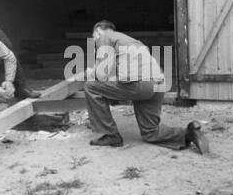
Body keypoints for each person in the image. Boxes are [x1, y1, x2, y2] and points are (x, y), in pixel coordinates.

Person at [84, 20, 210, 153]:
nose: (95, 42)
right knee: (151, 132)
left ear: (97, 32)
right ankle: (188, 133)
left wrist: (90, 72)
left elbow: (101, 74)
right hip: (158, 83)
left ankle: (110, 135)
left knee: (91, 86)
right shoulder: (133, 42)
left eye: (94, 38)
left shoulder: (104, 38)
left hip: (140, 85)